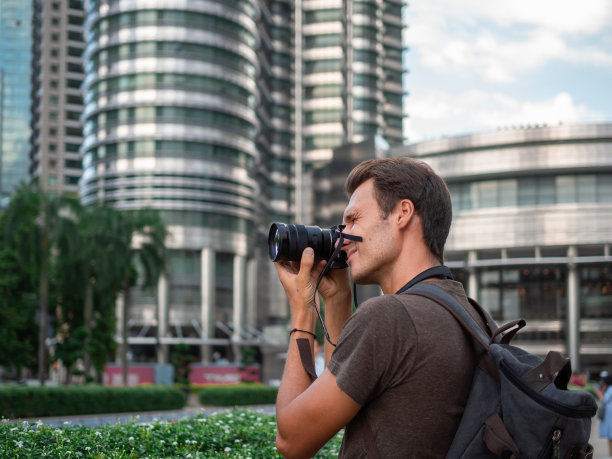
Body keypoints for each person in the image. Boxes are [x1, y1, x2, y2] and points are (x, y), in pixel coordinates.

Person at [274, 157, 486, 458]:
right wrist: (336, 302)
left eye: (353, 220)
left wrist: (302, 312)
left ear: (402, 213)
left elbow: (291, 441)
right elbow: (330, 407)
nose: (342, 239)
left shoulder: (389, 317)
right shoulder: (474, 316)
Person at [599, 374, 612, 458]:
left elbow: (604, 399)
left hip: (610, 414)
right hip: (609, 414)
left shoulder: (610, 389)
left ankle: (611, 455)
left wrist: (599, 392)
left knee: (611, 436)